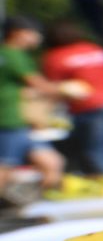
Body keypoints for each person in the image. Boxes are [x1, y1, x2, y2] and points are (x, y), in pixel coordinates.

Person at [40, 21, 103, 176]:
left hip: (90, 108)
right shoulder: (96, 49)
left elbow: (53, 89)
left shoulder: (56, 57)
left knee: (96, 153)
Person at [0, 17, 67, 199]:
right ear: (17, 33)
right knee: (5, 167)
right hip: (10, 119)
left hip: (22, 121)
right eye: (33, 33)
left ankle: (42, 204)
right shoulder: (12, 55)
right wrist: (66, 89)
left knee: (52, 162)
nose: (37, 38)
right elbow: (38, 84)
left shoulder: (11, 55)